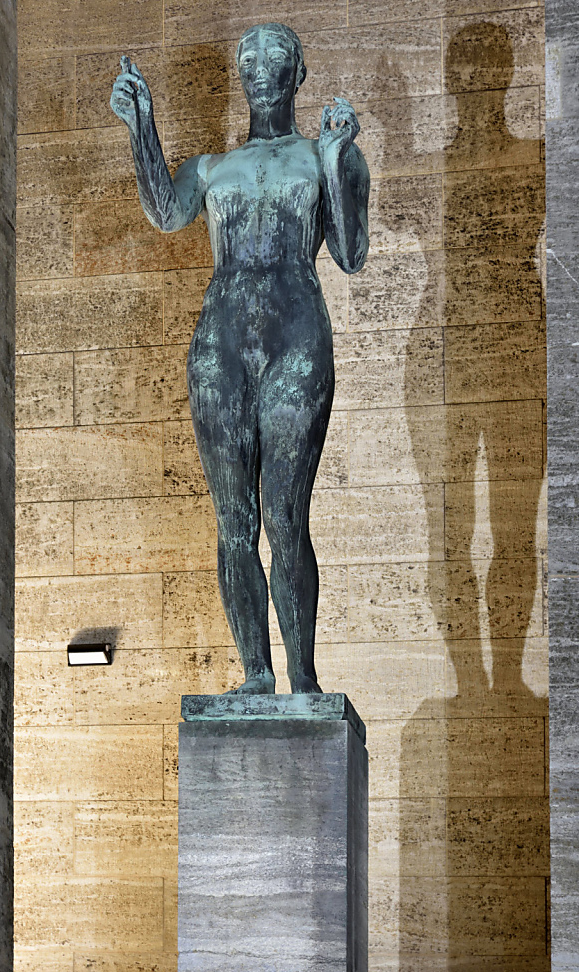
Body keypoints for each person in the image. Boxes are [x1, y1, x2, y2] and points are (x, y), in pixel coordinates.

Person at [110, 22, 369, 694]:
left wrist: (335, 159)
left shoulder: (326, 152)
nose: (260, 67)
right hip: (220, 346)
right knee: (233, 521)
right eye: (248, 57)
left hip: (296, 340)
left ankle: (303, 680)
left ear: (298, 72)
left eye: (275, 55)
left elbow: (350, 254)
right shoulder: (211, 168)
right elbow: (167, 213)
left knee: (284, 516)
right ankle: (256, 673)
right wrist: (140, 127)